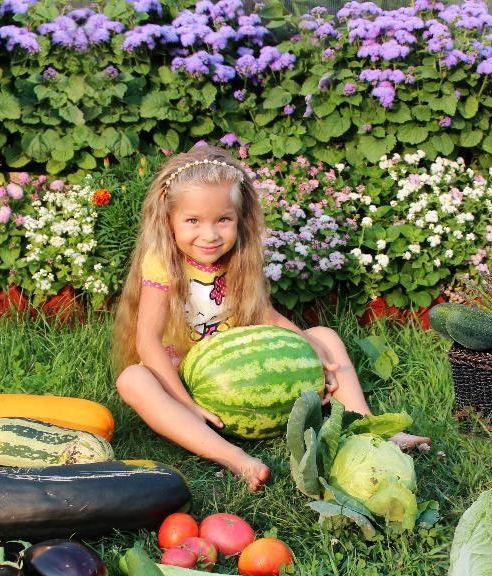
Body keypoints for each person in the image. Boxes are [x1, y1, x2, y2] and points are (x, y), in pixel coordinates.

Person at [112, 145, 429, 491]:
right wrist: (187, 404)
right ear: (168, 220)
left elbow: (265, 315)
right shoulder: (162, 263)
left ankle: (369, 428)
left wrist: (311, 346)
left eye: (223, 220)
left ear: (239, 218)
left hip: (238, 375)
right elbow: (147, 342)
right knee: (132, 379)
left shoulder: (238, 258)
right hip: (181, 379)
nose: (210, 234)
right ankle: (234, 458)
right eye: (193, 220)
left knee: (325, 335)